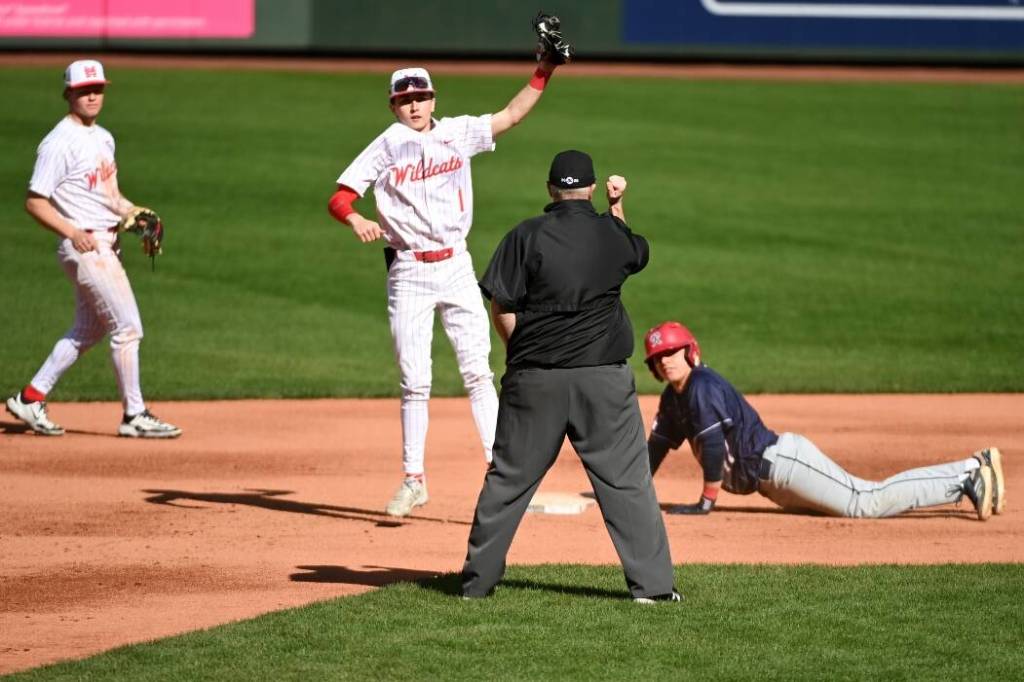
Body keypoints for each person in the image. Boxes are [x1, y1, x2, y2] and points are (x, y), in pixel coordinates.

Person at [328, 59, 563, 517]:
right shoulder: (387, 145)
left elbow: (512, 114)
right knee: (415, 380)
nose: (414, 106)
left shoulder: (458, 132)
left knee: (478, 371)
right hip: (410, 272)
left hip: (456, 264)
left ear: (434, 99)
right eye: (404, 100)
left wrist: (545, 69)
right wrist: (355, 218)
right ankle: (413, 479)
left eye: (420, 97)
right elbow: (340, 195)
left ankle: (504, 473)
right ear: (394, 106)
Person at [461, 150, 679, 603]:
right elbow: (634, 250)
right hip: (603, 382)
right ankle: (654, 591)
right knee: (626, 481)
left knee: (508, 479)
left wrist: (522, 349)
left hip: (534, 380)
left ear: (550, 190)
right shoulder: (610, 234)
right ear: (594, 189)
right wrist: (617, 207)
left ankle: (476, 586)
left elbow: (501, 303)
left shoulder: (525, 235)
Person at [642, 320, 1005, 520]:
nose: (665, 361)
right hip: (771, 481)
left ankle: (966, 477)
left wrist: (706, 501)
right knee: (858, 501)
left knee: (865, 501)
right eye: (658, 358)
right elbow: (655, 449)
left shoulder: (702, 386)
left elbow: (714, 447)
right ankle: (977, 465)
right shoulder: (673, 398)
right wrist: (626, 490)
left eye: (671, 352)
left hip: (783, 464)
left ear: (690, 351)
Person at [5, 60, 181, 439]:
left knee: (88, 330)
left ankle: (31, 397)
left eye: (97, 89)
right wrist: (71, 232)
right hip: (86, 246)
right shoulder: (58, 143)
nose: (92, 96)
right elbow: (35, 202)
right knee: (128, 328)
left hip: (105, 243)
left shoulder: (103, 138)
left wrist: (135, 213)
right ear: (68, 93)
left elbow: (111, 197)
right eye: (84, 90)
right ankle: (134, 415)